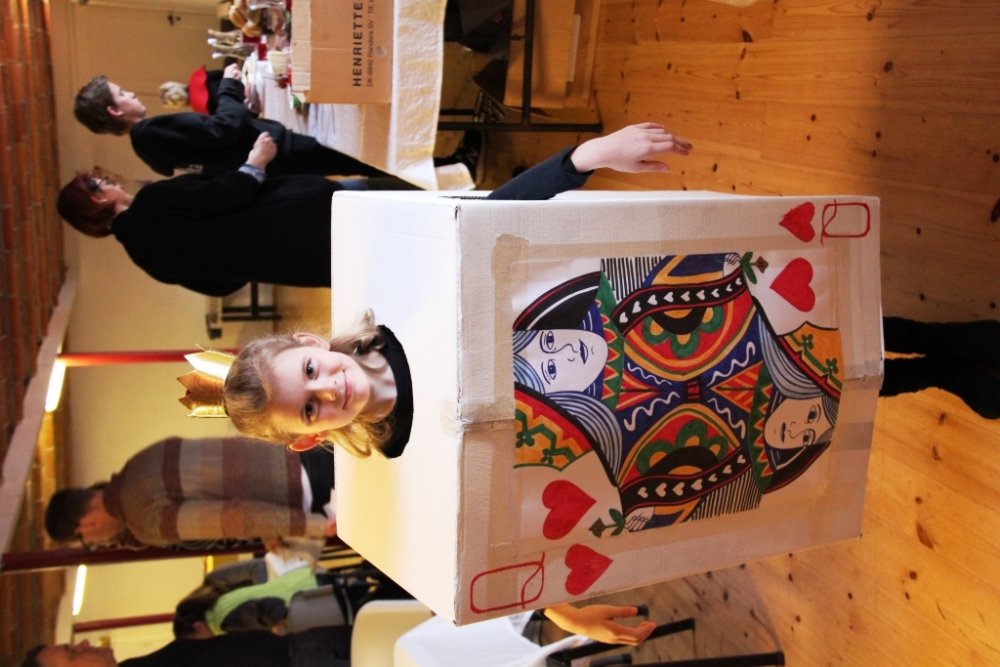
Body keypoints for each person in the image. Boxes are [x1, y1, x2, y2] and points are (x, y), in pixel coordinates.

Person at [217, 123, 695, 453]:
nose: (327, 389)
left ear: (309, 341)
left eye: (309, 370)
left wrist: (588, 155)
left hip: (622, 326)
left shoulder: (404, 307)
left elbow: (490, 219)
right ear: (309, 438)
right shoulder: (403, 448)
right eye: (308, 409)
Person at [23, 603, 655, 667]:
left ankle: (557, 627)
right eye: (72, 656)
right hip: (313, 659)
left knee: (433, 640)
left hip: (307, 650)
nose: (86, 645)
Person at [74, 64, 396, 179]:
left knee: (357, 163)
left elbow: (213, 150)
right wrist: (230, 84)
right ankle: (422, 170)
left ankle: (418, 172)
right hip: (278, 150)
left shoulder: (146, 148)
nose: (131, 93)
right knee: (361, 158)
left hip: (273, 160)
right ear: (114, 111)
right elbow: (222, 131)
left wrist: (245, 115)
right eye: (122, 93)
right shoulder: (149, 132)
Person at [44, 436, 337, 549]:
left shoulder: (144, 522)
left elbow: (233, 519)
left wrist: (313, 526)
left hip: (309, 493)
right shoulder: (136, 463)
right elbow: (220, 477)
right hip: (296, 451)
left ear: (85, 526)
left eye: (89, 543)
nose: (99, 543)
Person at [158, 66, 224, 115]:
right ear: (177, 85)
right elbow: (224, 73)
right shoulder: (199, 76)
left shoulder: (202, 113)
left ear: (178, 105)